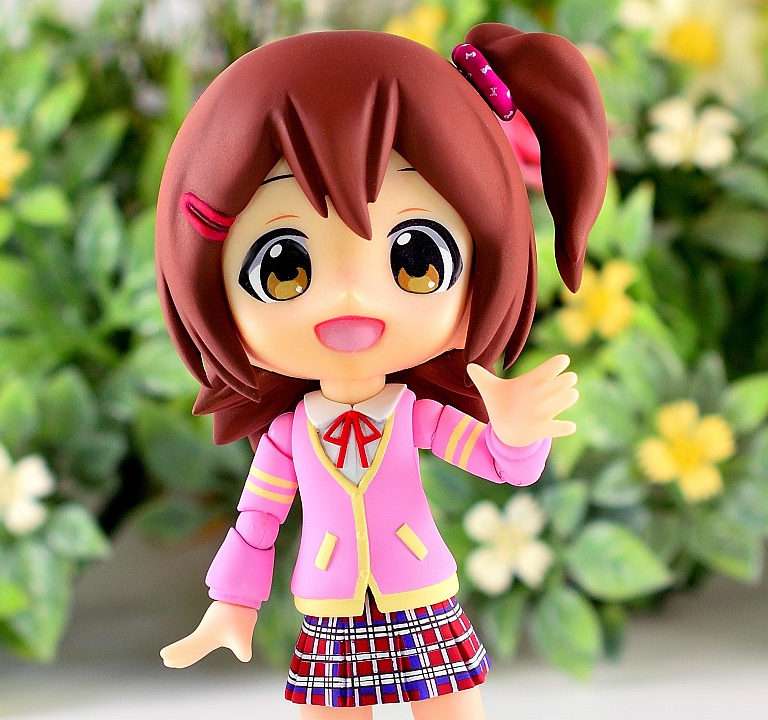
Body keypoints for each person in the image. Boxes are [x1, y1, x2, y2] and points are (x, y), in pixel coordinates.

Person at [154, 22, 608, 719]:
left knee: (450, 708)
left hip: (417, 586)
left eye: (415, 258)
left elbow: (499, 463)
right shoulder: (289, 437)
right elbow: (258, 520)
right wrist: (232, 603)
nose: (349, 296)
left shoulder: (415, 416)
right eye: (284, 268)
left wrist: (518, 433)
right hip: (331, 598)